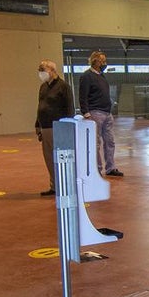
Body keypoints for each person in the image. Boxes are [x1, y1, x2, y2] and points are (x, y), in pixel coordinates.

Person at [78, 51, 123, 177]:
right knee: (96, 143)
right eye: (102, 61)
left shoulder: (102, 76)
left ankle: (110, 167)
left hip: (107, 113)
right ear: (95, 61)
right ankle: (96, 169)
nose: (104, 63)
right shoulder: (87, 76)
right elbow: (83, 96)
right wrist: (86, 113)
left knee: (110, 141)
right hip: (95, 112)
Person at [35, 59, 75, 196]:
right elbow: (40, 106)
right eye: (39, 71)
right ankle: (54, 186)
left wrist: (67, 127)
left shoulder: (63, 87)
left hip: (58, 127)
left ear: (52, 71)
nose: (41, 74)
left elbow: (70, 108)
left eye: (43, 70)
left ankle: (65, 185)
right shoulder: (43, 87)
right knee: (49, 158)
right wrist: (37, 125)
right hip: (45, 127)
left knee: (61, 158)